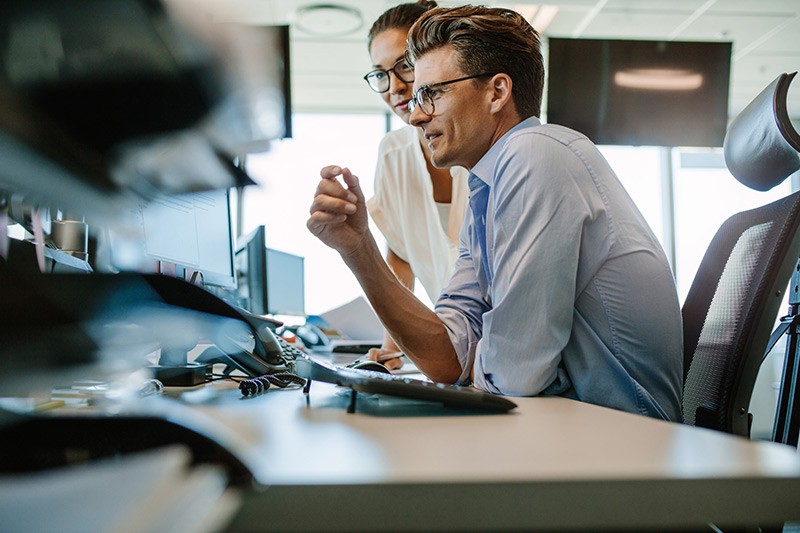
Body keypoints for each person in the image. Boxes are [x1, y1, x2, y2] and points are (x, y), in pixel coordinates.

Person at [307, 5, 683, 420]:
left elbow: (514, 375)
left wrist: (476, 363)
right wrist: (358, 250)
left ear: (497, 92)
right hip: (569, 424)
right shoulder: (485, 192)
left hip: (624, 435)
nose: (414, 115)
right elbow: (448, 358)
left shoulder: (536, 155)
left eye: (431, 93)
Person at [362, 1, 469, 368]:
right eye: (380, 74)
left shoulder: (483, 141)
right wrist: (391, 348)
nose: (394, 87)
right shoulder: (393, 154)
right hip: (456, 351)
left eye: (405, 66)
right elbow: (401, 256)